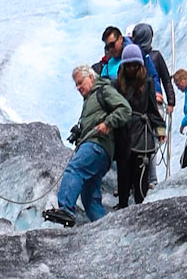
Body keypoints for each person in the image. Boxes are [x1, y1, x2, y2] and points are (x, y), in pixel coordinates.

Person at [42, 66, 131, 228]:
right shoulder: (90, 99)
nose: (78, 88)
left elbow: (125, 109)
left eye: (80, 82)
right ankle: (107, 229)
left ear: (91, 77)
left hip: (97, 144)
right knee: (89, 198)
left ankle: (66, 209)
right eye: (76, 85)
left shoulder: (103, 91)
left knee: (75, 169)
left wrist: (107, 123)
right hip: (102, 152)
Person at [114, 45, 164, 207]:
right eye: (128, 65)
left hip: (142, 136)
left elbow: (152, 110)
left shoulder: (147, 83)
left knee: (140, 181)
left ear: (140, 65)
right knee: (123, 178)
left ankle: (140, 210)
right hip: (122, 136)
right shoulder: (116, 85)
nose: (131, 68)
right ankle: (122, 207)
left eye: (135, 65)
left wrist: (160, 130)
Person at [129, 23, 176, 112]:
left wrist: (171, 102)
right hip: (144, 102)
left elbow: (166, 80)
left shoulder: (155, 56)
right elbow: (166, 80)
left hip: (151, 101)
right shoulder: (134, 57)